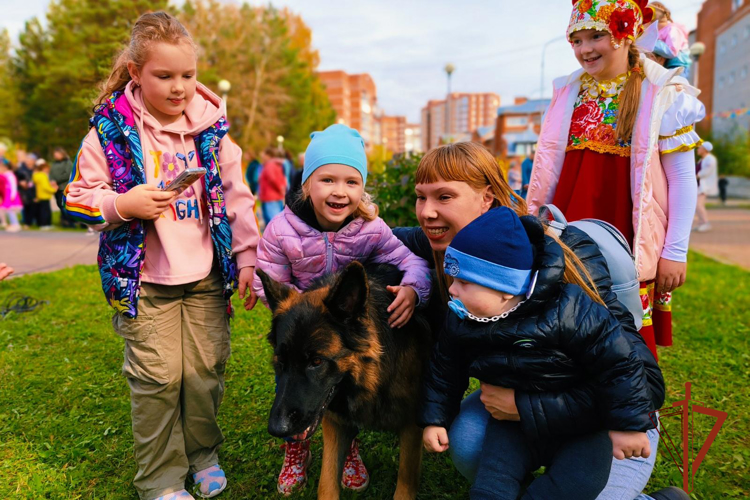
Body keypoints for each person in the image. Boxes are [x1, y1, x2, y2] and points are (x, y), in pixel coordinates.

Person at [394, 141, 681, 500]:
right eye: (421, 197)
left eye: (444, 197)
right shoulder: (450, 247)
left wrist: (526, 407)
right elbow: (373, 236)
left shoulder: (567, 254)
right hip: (517, 421)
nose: (427, 212)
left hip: (613, 422)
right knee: (468, 441)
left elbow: (643, 380)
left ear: (487, 199)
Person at [64, 12, 259, 500]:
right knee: (156, 380)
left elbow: (237, 195)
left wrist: (248, 256)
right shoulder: (108, 131)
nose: (179, 88)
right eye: (165, 76)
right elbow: (78, 196)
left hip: (207, 278)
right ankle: (160, 478)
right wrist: (120, 204)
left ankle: (202, 455)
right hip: (145, 281)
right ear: (135, 73)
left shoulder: (212, 130)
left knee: (202, 373)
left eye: (188, 76)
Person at [421, 207, 655, 500]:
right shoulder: (463, 319)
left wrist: (629, 425)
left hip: (583, 432)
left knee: (574, 487)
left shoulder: (570, 311)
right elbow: (445, 369)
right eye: (453, 281)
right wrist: (435, 419)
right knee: (491, 487)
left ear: (505, 289)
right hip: (512, 427)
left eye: (464, 283)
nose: (452, 291)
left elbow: (620, 365)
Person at [249, 123, 432, 496]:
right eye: (327, 179)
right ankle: (296, 447)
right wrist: (290, 306)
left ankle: (350, 450)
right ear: (307, 185)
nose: (339, 190)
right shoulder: (282, 227)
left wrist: (414, 288)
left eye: (351, 182)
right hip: (302, 320)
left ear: (362, 188)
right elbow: (267, 274)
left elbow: (409, 259)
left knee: (332, 384)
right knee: (292, 384)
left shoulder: (371, 227)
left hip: (344, 314)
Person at [527, 0, 704, 361]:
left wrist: (675, 250)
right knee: (567, 322)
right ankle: (572, 408)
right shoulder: (568, 93)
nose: (585, 49)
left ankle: (636, 412)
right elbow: (548, 167)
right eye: (576, 40)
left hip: (627, 231)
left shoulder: (663, 94)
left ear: (627, 35)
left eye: (596, 36)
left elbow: (683, 178)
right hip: (569, 230)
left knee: (626, 330)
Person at [650, 2, 692, 78]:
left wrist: (652, 43)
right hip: (669, 67)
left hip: (679, 66)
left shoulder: (673, 29)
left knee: (674, 87)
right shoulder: (661, 32)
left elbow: (672, 50)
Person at [258, 147, 286, 224]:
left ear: (268, 155)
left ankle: (277, 236)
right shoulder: (276, 165)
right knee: (277, 220)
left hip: (270, 197)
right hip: (275, 196)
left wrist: (279, 189)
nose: (262, 156)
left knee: (274, 221)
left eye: (263, 155)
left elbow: (272, 179)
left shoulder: (269, 165)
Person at [694, 142, 718, 232]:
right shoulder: (702, 160)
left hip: (705, 186)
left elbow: (705, 172)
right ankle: (701, 224)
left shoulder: (710, 159)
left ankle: (705, 223)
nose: (698, 149)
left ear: (704, 149)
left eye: (699, 148)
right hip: (700, 185)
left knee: (698, 205)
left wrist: (694, 176)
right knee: (697, 205)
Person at [50, 147, 75, 228]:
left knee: (63, 205)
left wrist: (56, 181)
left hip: (64, 187)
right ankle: (65, 222)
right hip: (55, 188)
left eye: (57, 154)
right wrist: (52, 181)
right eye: (55, 154)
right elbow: (51, 174)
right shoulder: (54, 164)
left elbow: (67, 174)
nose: (55, 156)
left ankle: (71, 222)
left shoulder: (68, 163)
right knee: (59, 204)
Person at [32, 159, 57, 230]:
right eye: (47, 168)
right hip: (44, 195)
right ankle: (44, 224)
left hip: (41, 195)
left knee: (45, 210)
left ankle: (47, 224)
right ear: (43, 169)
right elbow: (45, 186)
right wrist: (53, 190)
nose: (48, 170)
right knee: (45, 211)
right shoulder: (43, 176)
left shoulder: (37, 175)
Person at [0, 159, 23, 232]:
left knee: (11, 210)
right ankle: (13, 224)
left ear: (5, 167)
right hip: (6, 194)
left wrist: (12, 195)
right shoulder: (4, 175)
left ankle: (16, 224)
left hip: (10, 195)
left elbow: (13, 185)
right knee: (8, 210)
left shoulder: (10, 175)